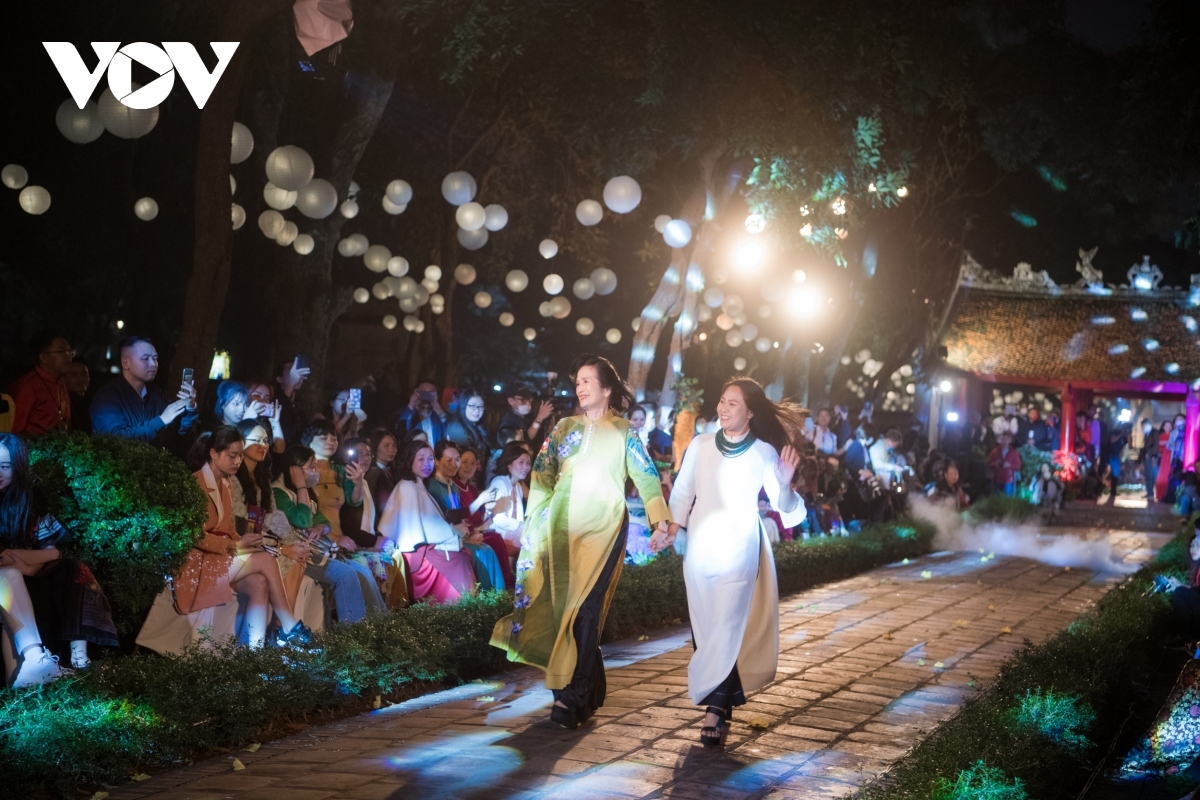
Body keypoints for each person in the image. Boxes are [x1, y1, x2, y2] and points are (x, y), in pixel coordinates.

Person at [491, 354, 675, 730]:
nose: (580, 386)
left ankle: (572, 694)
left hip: (604, 528)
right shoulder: (562, 428)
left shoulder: (625, 431)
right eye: (578, 381)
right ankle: (584, 690)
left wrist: (660, 521)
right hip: (560, 527)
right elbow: (541, 478)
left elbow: (646, 476)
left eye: (589, 380)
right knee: (562, 609)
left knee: (587, 609)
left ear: (607, 389)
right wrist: (533, 522)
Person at [664, 377, 804, 746]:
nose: (723, 408)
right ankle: (724, 704)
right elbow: (682, 492)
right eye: (722, 401)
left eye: (733, 403)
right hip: (700, 551)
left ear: (751, 412)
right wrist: (670, 526)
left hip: (740, 550)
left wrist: (786, 484)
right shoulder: (701, 444)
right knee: (708, 630)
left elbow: (785, 509)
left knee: (727, 627)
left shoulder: (763, 453)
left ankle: (713, 712)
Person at [160, 428, 310, 650]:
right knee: (266, 561)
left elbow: (227, 526)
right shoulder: (195, 483)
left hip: (219, 557)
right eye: (232, 455)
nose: (237, 461)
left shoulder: (226, 484)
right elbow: (193, 535)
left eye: (240, 455)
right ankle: (288, 625)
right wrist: (233, 544)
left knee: (260, 583)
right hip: (197, 564)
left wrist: (241, 541)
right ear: (214, 453)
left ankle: (254, 652)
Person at [0, 433, 118, 685]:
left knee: (73, 569)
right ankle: (29, 669)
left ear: (17, 467)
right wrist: (18, 562)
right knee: (10, 576)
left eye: (5, 466)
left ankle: (77, 656)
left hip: (26, 572)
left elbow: (53, 549)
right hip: (9, 577)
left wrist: (25, 560)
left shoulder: (29, 499)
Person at [272, 444, 386, 622]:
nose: (315, 471)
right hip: (300, 555)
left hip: (318, 549)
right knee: (346, 574)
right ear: (294, 469)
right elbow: (301, 520)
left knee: (363, 572)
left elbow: (324, 523)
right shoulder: (279, 492)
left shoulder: (306, 492)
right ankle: (351, 637)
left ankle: (379, 626)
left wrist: (320, 528)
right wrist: (301, 486)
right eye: (311, 466)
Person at [378, 440, 478, 603]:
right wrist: (452, 530)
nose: (427, 464)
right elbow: (416, 531)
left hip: (425, 547)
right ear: (410, 460)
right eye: (421, 459)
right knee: (460, 559)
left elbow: (428, 522)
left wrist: (453, 530)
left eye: (430, 459)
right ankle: (460, 608)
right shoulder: (408, 486)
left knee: (464, 555)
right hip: (416, 553)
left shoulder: (418, 484)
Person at [425, 441, 505, 590]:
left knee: (488, 548)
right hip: (442, 540)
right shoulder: (433, 486)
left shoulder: (453, 486)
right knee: (484, 552)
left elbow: (461, 519)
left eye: (456, 460)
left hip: (458, 536)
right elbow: (447, 518)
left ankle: (496, 597)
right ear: (437, 461)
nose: (454, 464)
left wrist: (471, 533)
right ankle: (488, 597)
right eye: (449, 460)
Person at [90, 335, 198, 445]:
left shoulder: (155, 394)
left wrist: (190, 407)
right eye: (145, 358)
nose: (153, 364)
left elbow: (180, 427)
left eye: (155, 358)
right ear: (126, 363)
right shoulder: (106, 397)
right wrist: (160, 421)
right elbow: (115, 439)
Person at [11, 328, 75, 436]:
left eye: (70, 351)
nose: (68, 356)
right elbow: (15, 432)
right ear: (44, 357)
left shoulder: (60, 382)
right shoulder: (27, 386)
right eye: (62, 351)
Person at [364, 428, 399, 523]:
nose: (391, 450)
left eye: (394, 446)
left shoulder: (388, 471)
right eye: (386, 446)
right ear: (375, 448)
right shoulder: (374, 473)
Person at [274, 358, 311, 445]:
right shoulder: (274, 401)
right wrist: (291, 383)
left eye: (299, 373)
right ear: (279, 379)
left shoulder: (301, 406)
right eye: (291, 373)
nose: (297, 377)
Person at [446, 390, 493, 455]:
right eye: (472, 406)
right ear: (464, 406)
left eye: (481, 406)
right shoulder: (457, 429)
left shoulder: (478, 425)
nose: (477, 410)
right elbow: (465, 459)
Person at [65, 357, 92, 434]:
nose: (81, 379)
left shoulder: (91, 401)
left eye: (84, 374)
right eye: (74, 375)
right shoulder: (65, 403)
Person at [1156, 421, 1175, 502]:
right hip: (1164, 458)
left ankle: (1168, 495)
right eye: (1166, 425)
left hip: (1172, 457)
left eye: (1169, 425)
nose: (1168, 427)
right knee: (1162, 476)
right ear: (1163, 427)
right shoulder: (1160, 436)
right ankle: (1161, 495)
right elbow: (1158, 446)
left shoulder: (1174, 435)